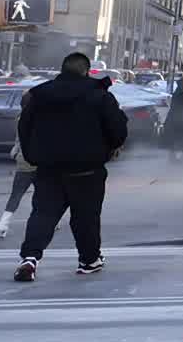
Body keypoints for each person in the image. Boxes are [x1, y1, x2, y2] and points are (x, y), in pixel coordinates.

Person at [14, 52, 127, 281]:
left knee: (43, 214)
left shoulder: (39, 95)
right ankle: (88, 260)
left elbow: (24, 128)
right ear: (86, 71)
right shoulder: (99, 96)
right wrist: (112, 147)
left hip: (48, 168)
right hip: (87, 169)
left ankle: (30, 258)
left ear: (62, 70)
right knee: (86, 217)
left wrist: (33, 156)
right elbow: (117, 128)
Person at [0, 140, 35, 238]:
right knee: (15, 196)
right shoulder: (23, 124)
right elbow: (18, 141)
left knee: (44, 197)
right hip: (24, 166)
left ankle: (52, 221)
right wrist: (15, 153)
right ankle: (2, 225)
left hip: (42, 167)